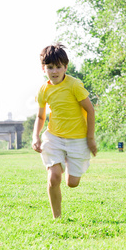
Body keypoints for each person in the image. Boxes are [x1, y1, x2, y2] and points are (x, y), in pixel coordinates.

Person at [32, 43, 97, 218]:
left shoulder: (74, 85)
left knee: (72, 183)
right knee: (54, 178)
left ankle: (67, 162)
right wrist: (35, 137)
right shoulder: (44, 90)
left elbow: (90, 110)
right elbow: (40, 117)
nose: (54, 71)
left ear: (65, 67)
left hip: (78, 140)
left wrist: (90, 139)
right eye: (50, 67)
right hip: (54, 137)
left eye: (59, 67)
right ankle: (57, 218)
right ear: (43, 68)